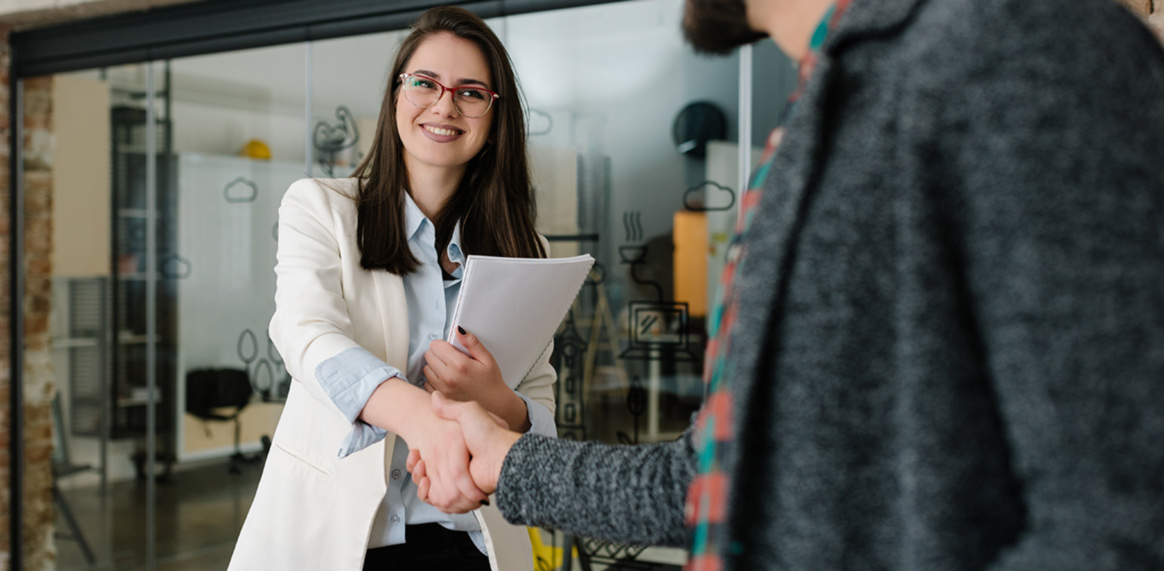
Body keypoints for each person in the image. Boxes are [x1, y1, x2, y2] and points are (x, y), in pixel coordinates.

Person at [410, 0, 1164, 569]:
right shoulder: (829, 107)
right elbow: (711, 478)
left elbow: (1119, 520)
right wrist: (507, 458)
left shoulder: (1023, 45)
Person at [227, 7, 558, 571]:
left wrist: (497, 398)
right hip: (338, 542)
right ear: (396, 94)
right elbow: (305, 336)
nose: (444, 104)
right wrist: (420, 418)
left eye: (471, 92)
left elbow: (541, 410)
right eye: (425, 83)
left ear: (495, 116)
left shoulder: (528, 251)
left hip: (474, 546)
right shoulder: (319, 207)